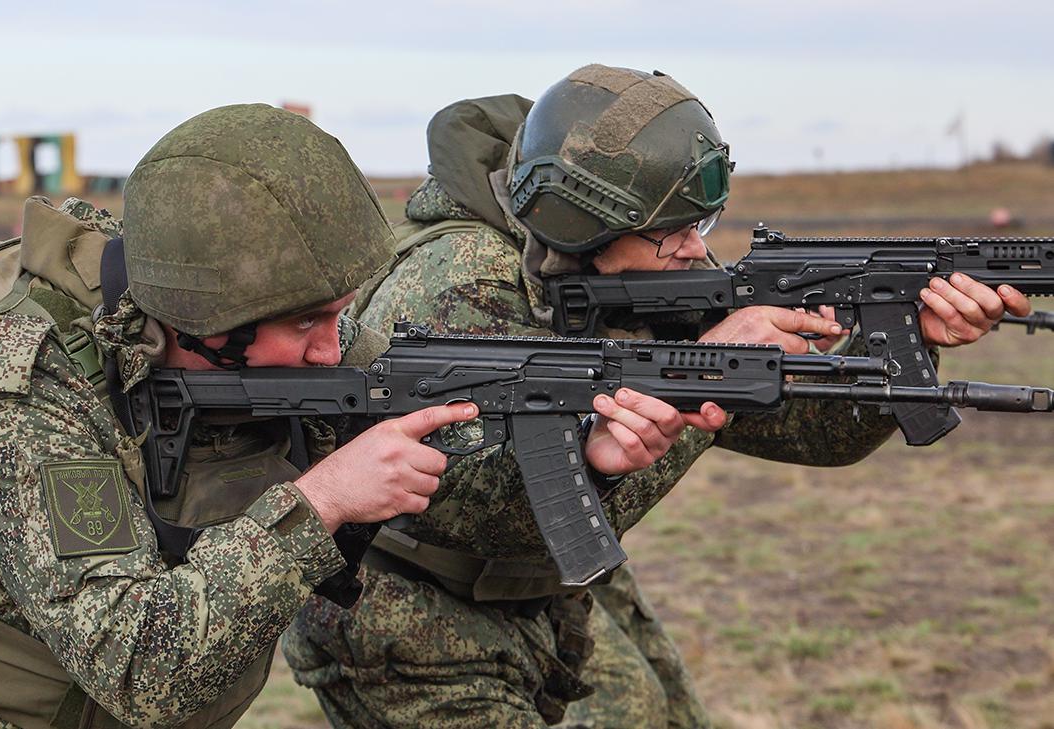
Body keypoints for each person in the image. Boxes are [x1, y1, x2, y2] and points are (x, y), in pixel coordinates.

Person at [282, 65, 1032, 728]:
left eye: (701, 224)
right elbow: (498, 513)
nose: (697, 251)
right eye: (672, 233)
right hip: (406, 615)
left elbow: (813, 435)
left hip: (546, 589)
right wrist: (709, 367)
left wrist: (900, 335)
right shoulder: (454, 286)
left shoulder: (620, 269)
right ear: (586, 226)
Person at [0, 104, 483, 729]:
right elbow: (143, 670)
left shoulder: (252, 322)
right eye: (306, 322)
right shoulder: (20, 403)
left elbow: (437, 405)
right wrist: (320, 502)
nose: (331, 349)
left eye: (337, 315)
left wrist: (573, 441)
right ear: (205, 323)